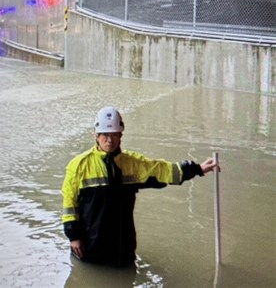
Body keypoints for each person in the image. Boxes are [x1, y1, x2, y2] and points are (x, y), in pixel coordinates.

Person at [61, 106, 219, 267]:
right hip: (89, 250)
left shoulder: (132, 164)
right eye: (105, 135)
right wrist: (73, 237)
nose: (110, 140)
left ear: (121, 135)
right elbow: (69, 205)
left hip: (122, 250)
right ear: (96, 135)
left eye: (114, 135)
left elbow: (162, 170)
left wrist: (197, 169)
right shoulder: (78, 166)